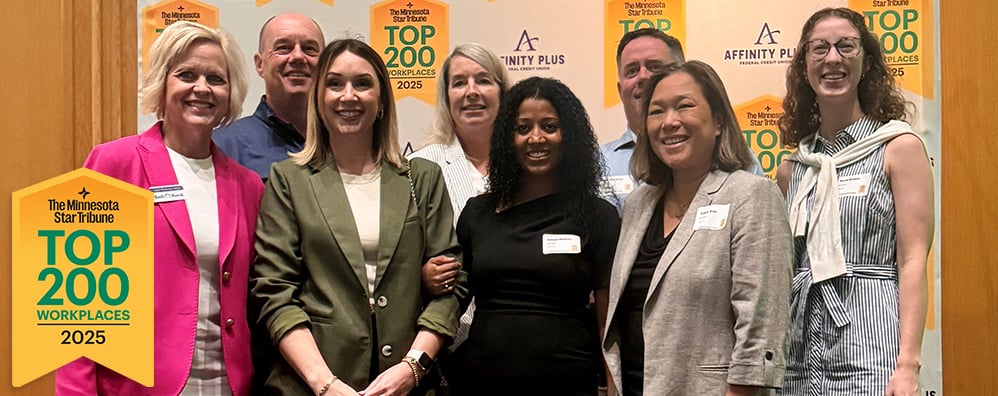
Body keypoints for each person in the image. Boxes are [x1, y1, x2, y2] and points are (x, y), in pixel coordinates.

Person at [55, 21, 260, 395]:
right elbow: (76, 302)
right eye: (187, 75)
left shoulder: (247, 185)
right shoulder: (112, 164)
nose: (202, 88)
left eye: (216, 78)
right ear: (162, 83)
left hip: (227, 385)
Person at [249, 38, 462, 396]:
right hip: (310, 385)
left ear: (382, 100)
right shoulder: (289, 180)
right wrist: (325, 384)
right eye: (335, 84)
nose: (348, 96)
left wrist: (412, 367)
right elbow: (275, 292)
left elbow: (451, 287)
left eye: (363, 83)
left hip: (406, 385)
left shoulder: (422, 177)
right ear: (319, 98)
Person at [603, 61, 792, 396]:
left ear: (718, 121)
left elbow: (761, 325)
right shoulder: (638, 205)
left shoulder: (751, 195)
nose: (669, 122)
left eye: (684, 106)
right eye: (656, 111)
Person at [776, 8, 933, 396]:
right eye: (819, 48)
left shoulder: (898, 148)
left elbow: (912, 260)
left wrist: (908, 365)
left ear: (867, 62)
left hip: (871, 353)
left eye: (846, 46)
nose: (833, 58)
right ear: (804, 67)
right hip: (797, 357)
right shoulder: (792, 169)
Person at [450, 77, 621, 396]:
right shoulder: (478, 212)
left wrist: (613, 387)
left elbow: (607, 321)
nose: (536, 138)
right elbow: (452, 300)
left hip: (567, 382)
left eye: (550, 126)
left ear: (569, 135)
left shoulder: (598, 216)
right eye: (523, 128)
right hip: (482, 381)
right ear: (507, 137)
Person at [407, 43, 511, 352]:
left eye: (483, 80)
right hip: (447, 342)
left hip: (517, 338)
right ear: (446, 96)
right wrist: (421, 276)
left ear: (503, 92)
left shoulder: (529, 165)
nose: (472, 92)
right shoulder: (421, 167)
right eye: (459, 83)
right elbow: (397, 258)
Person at [601, 28, 763, 213]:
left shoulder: (742, 165)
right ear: (620, 89)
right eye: (632, 71)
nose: (643, 77)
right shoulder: (597, 163)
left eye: (655, 67)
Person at [213, 13, 325, 181]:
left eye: (309, 49)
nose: (298, 56)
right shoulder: (222, 146)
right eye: (283, 48)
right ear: (260, 64)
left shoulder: (345, 142)